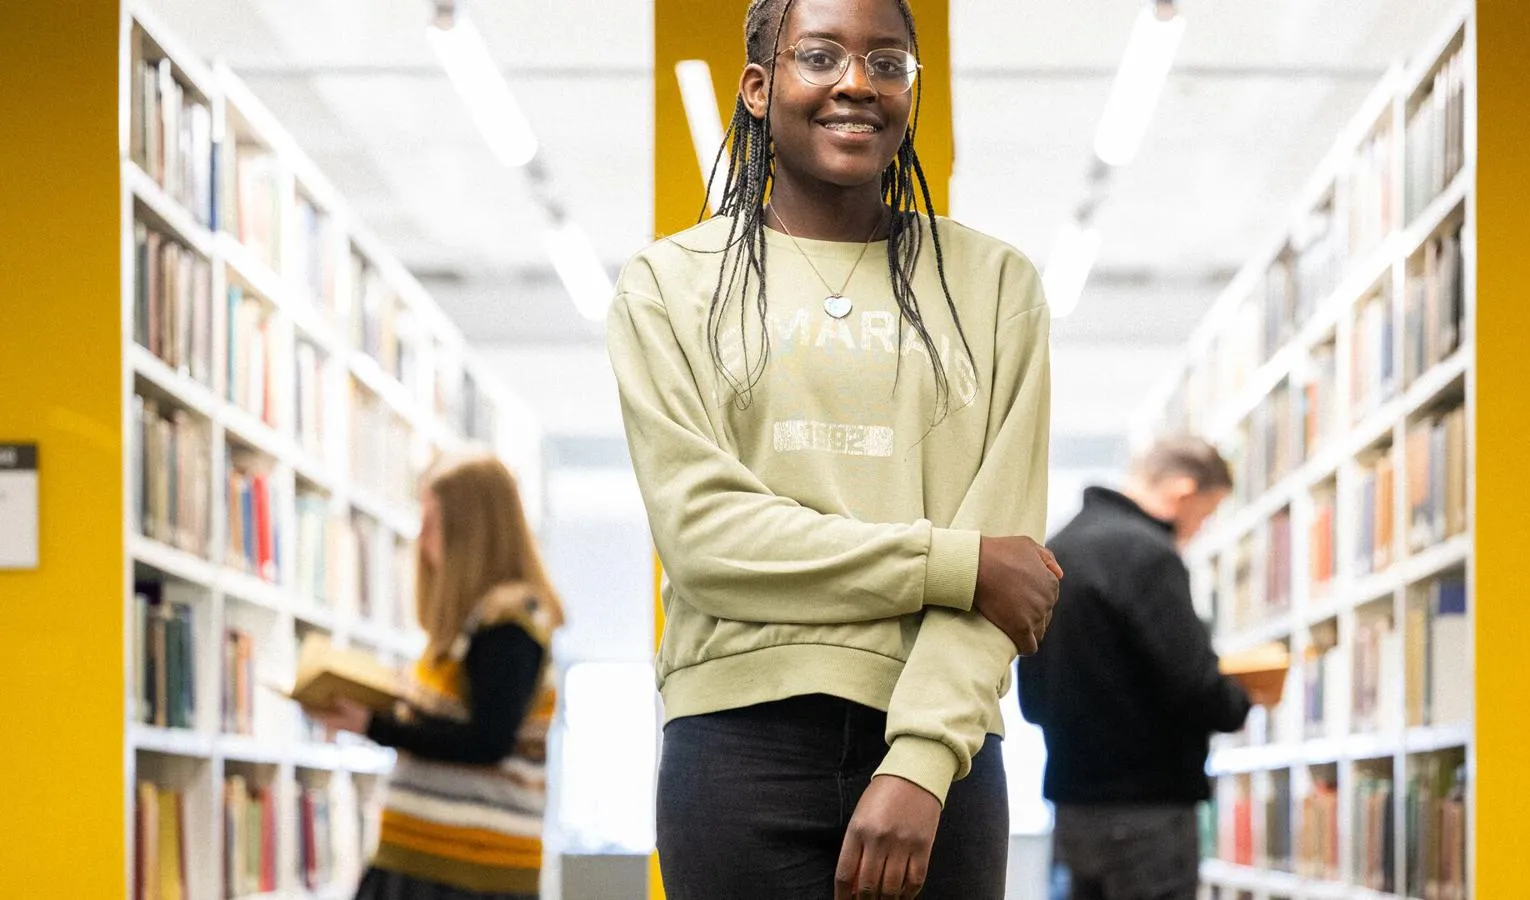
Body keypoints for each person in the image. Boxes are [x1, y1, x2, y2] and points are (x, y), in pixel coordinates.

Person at [606, 0, 1062, 896]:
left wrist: (921, 763)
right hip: (738, 746)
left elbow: (1009, 539)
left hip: (943, 745)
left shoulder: (995, 284)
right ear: (757, 86)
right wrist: (956, 564)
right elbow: (707, 543)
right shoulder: (668, 285)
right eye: (820, 56)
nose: (857, 82)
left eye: (887, 63)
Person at [1018, 436, 1276, 900]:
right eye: (1207, 512)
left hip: (1071, 812)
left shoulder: (1056, 550)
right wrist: (1243, 697)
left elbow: (1033, 700)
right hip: (1148, 815)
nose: (1200, 528)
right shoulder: (1148, 555)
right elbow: (1196, 685)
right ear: (1182, 492)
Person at [308, 453, 564, 900]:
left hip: (465, 872)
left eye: (432, 522)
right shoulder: (472, 626)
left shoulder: (510, 625)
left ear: (471, 532)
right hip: (426, 861)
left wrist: (376, 726)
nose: (421, 538)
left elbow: (487, 739)